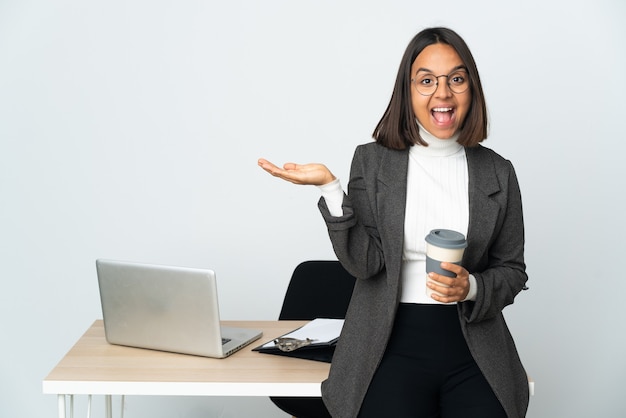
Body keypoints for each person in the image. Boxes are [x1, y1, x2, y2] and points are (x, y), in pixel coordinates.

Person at [258, 27, 529, 418]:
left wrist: (470, 286)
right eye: (426, 80)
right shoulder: (372, 161)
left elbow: (512, 270)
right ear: (408, 90)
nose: (442, 93)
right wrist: (333, 190)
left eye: (456, 78)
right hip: (387, 343)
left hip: (472, 343)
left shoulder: (498, 173)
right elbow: (365, 264)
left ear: (471, 88)